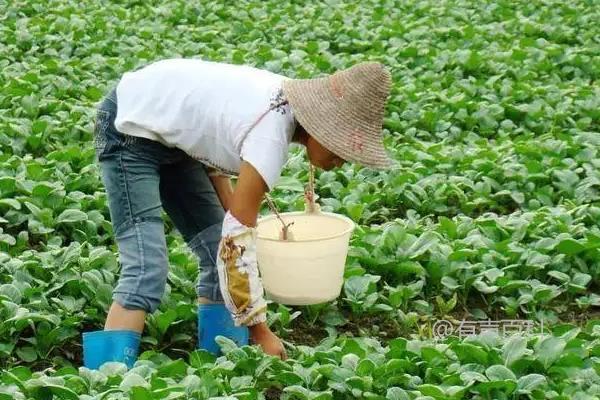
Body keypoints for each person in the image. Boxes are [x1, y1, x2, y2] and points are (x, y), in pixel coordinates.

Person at [82, 58, 394, 369]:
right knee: (147, 267)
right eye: (343, 146)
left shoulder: (281, 109)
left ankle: (218, 369)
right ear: (322, 125)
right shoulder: (270, 133)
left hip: (175, 142)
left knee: (219, 249)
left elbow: (214, 150)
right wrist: (260, 331)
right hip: (128, 126)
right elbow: (236, 244)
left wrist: (231, 227)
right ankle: (106, 381)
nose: (344, 159)